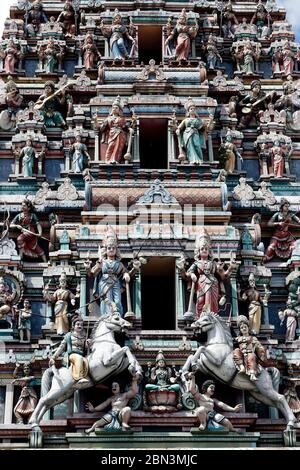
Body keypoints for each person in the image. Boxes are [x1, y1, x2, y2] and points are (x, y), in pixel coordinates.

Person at [180, 230, 236, 317]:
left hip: (213, 284)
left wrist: (231, 267)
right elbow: (186, 276)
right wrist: (184, 269)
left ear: (209, 251)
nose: (204, 250)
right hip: (201, 284)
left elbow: (224, 276)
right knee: (200, 301)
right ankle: (200, 318)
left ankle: (212, 318)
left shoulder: (213, 264)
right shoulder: (196, 263)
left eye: (206, 248)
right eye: (202, 248)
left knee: (212, 303)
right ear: (198, 251)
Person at [84, 229, 130, 316]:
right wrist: (88, 268)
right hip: (104, 282)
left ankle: (117, 316)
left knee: (117, 301)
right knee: (106, 300)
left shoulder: (119, 263)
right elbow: (92, 274)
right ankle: (106, 316)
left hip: (115, 282)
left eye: (113, 248)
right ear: (106, 249)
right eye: (109, 248)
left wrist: (126, 274)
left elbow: (125, 272)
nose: (111, 250)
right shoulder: (102, 262)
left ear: (116, 250)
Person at [49, 316, 89, 384]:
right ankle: (79, 377)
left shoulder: (84, 336)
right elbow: (61, 347)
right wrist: (53, 357)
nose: (80, 326)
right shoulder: (69, 335)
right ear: (73, 325)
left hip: (82, 354)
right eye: (78, 324)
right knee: (79, 358)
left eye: (81, 325)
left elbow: (85, 348)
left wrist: (88, 343)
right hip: (72, 355)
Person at [43, 271, 79, 335]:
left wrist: (72, 300)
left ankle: (65, 330)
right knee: (59, 318)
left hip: (64, 305)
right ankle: (59, 330)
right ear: (59, 283)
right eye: (61, 282)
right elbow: (52, 299)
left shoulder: (68, 291)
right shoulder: (57, 291)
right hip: (58, 306)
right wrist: (46, 292)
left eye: (64, 282)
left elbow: (72, 297)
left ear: (66, 283)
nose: (63, 283)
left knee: (64, 317)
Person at [176, 98, 209, 165]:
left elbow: (204, 127)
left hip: (195, 134)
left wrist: (209, 122)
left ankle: (199, 159)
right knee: (190, 147)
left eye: (194, 109)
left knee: (197, 146)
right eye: (191, 109)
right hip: (187, 134)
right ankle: (192, 160)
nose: (193, 110)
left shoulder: (198, 120)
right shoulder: (186, 120)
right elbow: (179, 127)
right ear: (188, 111)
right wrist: (178, 130)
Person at [233, 315, 265, 381]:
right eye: (242, 328)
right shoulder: (238, 338)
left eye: (245, 327)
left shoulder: (253, 338)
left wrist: (261, 350)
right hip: (242, 356)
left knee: (251, 356)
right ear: (240, 330)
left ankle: (252, 374)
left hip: (250, 355)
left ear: (248, 327)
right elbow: (232, 342)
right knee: (236, 350)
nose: (244, 328)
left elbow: (259, 346)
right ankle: (241, 366)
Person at [100, 96, 130, 164]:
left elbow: (125, 127)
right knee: (111, 146)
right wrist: (97, 122)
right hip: (112, 134)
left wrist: (131, 126)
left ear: (119, 110)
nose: (114, 109)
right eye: (113, 107)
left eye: (116, 108)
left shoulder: (121, 119)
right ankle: (107, 161)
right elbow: (101, 129)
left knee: (118, 148)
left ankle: (115, 160)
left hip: (120, 134)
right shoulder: (108, 118)